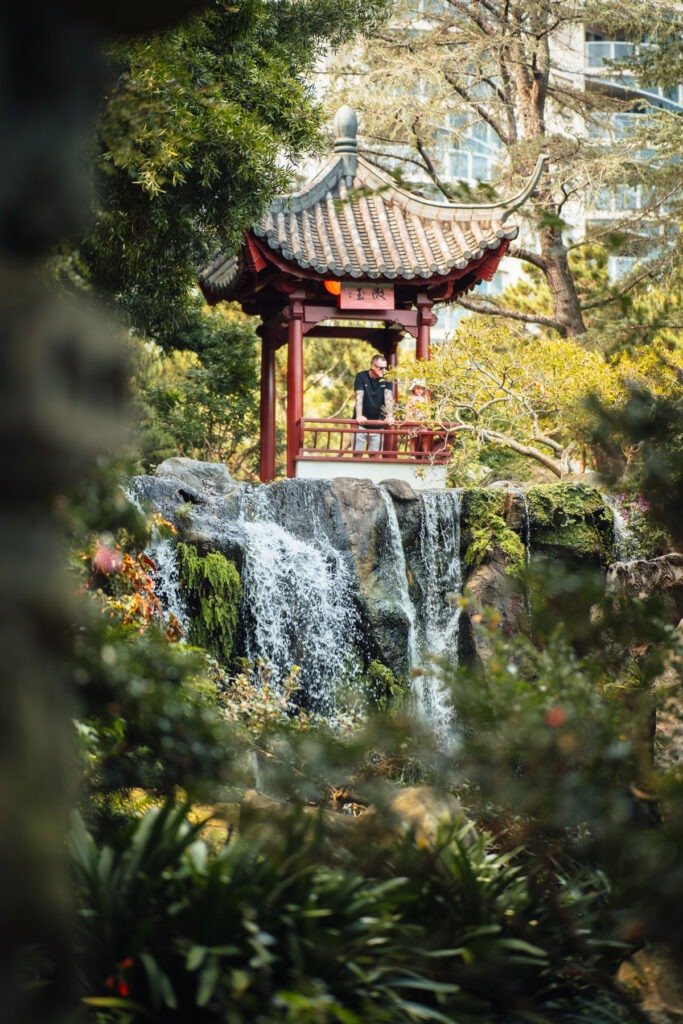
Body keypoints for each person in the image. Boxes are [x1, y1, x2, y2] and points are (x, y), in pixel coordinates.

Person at [353, 354, 394, 452]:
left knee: (375, 455)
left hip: (378, 423)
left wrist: (390, 415)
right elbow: (359, 397)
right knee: (357, 454)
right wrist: (359, 416)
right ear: (373, 366)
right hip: (361, 423)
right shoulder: (361, 376)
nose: (384, 370)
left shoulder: (387, 378)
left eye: (385, 368)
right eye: (381, 368)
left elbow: (388, 398)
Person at [405, 379, 432, 454]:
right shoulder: (411, 398)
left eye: (421, 388)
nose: (420, 390)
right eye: (417, 388)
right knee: (413, 437)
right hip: (413, 419)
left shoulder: (425, 398)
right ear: (414, 388)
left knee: (424, 437)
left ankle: (425, 454)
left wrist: (428, 418)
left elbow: (427, 409)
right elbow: (408, 409)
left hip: (423, 420)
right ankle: (412, 454)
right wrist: (409, 418)